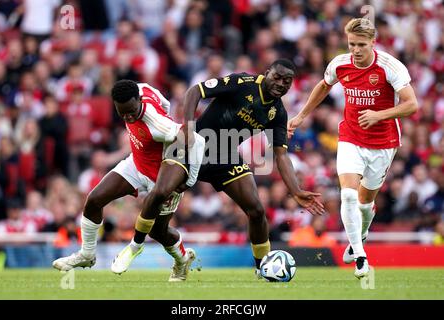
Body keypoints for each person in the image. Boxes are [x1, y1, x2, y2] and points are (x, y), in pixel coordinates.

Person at [120, 59, 324, 278]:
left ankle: (262, 268)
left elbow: (281, 155)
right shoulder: (242, 83)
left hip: (225, 156)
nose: (281, 84)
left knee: (256, 210)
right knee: (160, 195)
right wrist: (189, 129)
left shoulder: (278, 113)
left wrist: (295, 191)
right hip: (194, 143)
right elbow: (194, 92)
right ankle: (136, 245)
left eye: (287, 81)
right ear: (267, 73)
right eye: (277, 77)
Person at [287, 18, 418, 278]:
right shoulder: (340, 64)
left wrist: (379, 115)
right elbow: (323, 86)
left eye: (361, 44)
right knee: (347, 195)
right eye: (351, 44)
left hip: (383, 143)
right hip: (350, 137)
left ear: (372, 43)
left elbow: (411, 104)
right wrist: (301, 117)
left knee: (364, 203)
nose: (356, 50)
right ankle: (360, 257)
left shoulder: (390, 67)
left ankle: (361, 234)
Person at [52, 80, 205, 282]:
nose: (128, 117)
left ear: (139, 101)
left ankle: (182, 259)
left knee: (158, 231)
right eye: (123, 113)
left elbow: (197, 141)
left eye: (132, 111)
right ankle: (87, 255)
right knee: (94, 199)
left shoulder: (159, 124)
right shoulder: (140, 89)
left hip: (161, 177)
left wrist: (191, 179)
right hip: (136, 164)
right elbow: (164, 103)